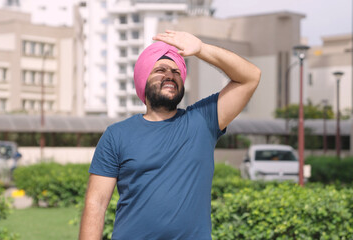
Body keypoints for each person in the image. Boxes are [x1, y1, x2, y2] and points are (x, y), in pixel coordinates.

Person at [79, 30, 261, 240]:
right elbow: (97, 204)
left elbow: (250, 77)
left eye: (176, 72)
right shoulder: (116, 135)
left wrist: (201, 49)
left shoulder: (203, 121)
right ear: (143, 79)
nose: (170, 75)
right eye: (160, 70)